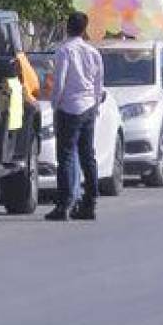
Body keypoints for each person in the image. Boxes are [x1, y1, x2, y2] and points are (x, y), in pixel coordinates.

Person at [45, 12, 105, 221]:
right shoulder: (92, 52)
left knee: (66, 156)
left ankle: (64, 205)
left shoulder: (65, 51)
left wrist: (55, 103)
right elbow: (99, 83)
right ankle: (90, 202)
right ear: (85, 28)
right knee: (88, 156)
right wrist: (95, 106)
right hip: (88, 107)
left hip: (69, 108)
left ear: (67, 27)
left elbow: (59, 82)